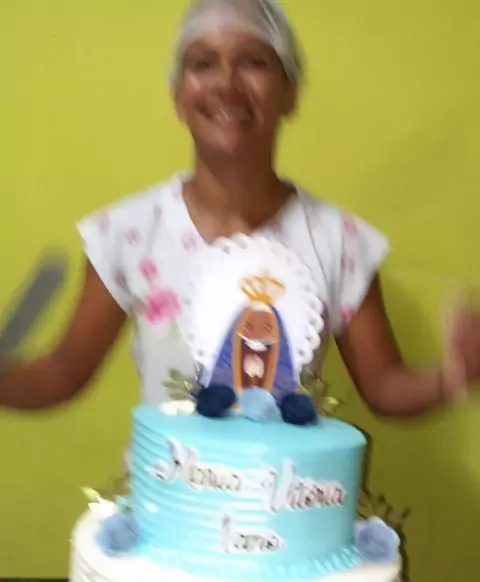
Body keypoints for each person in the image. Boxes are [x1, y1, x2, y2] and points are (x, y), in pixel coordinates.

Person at [1, 0, 479, 415]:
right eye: (202, 64)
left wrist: (452, 375)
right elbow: (63, 370)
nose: (226, 84)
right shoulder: (130, 233)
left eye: (253, 61)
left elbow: (385, 386)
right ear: (178, 97)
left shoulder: (339, 242)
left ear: (290, 92)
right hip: (165, 491)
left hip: (288, 491)